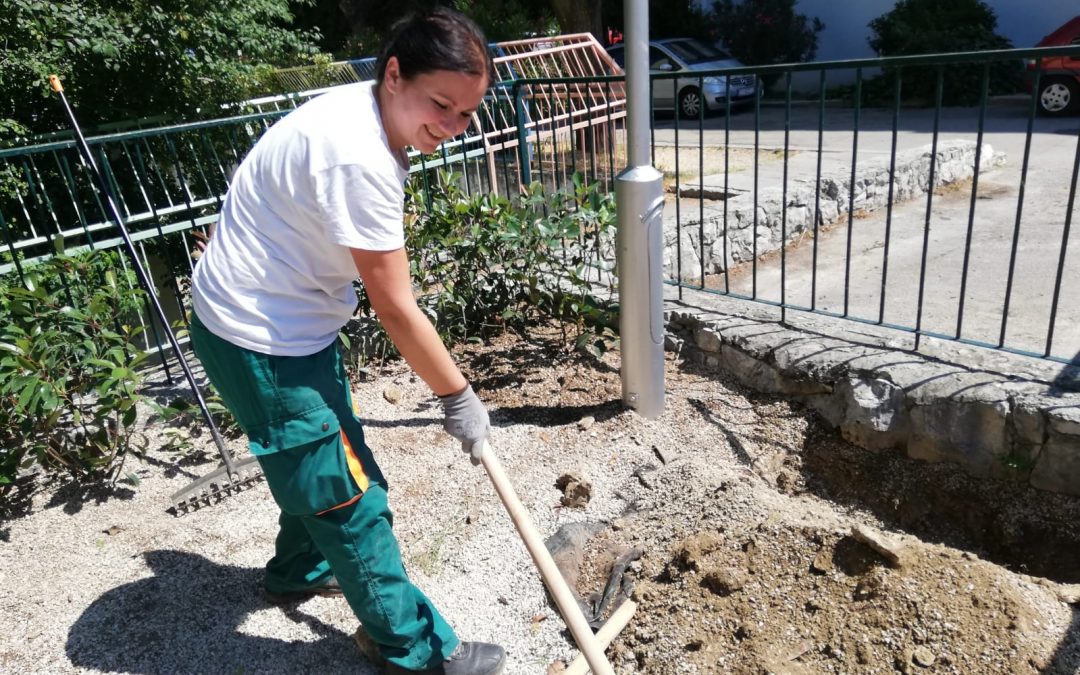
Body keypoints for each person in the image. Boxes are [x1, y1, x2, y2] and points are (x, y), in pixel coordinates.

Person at [188, 8, 504, 675]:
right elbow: (395, 307)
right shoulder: (358, 158)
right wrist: (458, 397)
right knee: (352, 497)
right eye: (440, 104)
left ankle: (299, 568)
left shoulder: (362, 109)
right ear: (394, 75)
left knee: (328, 458)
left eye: (466, 114)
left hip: (281, 319)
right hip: (260, 338)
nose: (451, 127)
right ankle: (412, 651)